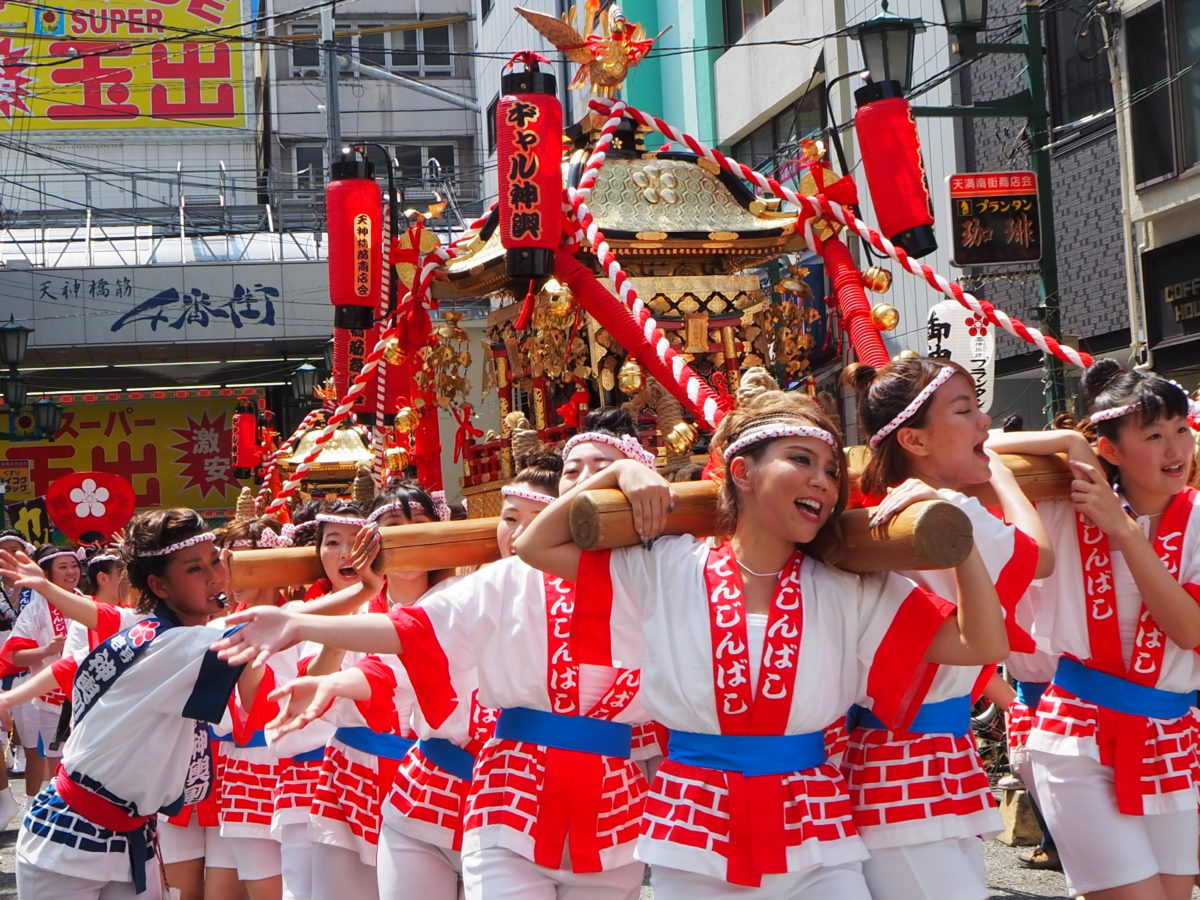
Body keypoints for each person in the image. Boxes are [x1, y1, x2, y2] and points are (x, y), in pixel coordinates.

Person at [514, 390, 1009, 899]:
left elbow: (980, 644)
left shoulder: (849, 585)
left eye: (832, 471)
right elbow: (535, 546)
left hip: (816, 832)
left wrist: (959, 537)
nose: (823, 480)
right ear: (742, 472)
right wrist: (617, 474)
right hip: (692, 831)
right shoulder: (666, 566)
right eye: (801, 459)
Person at [213, 408, 662, 900]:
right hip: (499, 792)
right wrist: (302, 626)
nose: (584, 478)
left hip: (611, 806)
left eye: (605, 466)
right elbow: (410, 633)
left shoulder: (662, 576)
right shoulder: (501, 583)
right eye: (571, 470)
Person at [266, 454, 562, 899]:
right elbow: (323, 682)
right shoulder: (360, 604)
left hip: (463, 773)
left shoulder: (463, 596)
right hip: (357, 772)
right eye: (393, 529)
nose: (409, 540)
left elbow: (399, 666)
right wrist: (356, 602)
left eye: (419, 525)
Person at [838, 358, 1050, 900]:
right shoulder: (949, 507)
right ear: (914, 438)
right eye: (966, 410)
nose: (985, 423)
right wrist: (1002, 476)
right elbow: (1041, 557)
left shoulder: (885, 507)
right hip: (912, 753)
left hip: (901, 748)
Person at [988, 360, 1200, 900]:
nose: (1175, 449)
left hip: (1171, 737)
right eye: (1153, 435)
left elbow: (1188, 629)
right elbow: (977, 449)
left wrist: (1125, 533)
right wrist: (1069, 440)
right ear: (1111, 449)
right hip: (1076, 737)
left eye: (1181, 429)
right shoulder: (1068, 502)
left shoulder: (1197, 516)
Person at [11, 508, 275, 899]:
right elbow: (275, 627)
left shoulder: (151, 626)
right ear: (159, 585)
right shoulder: (175, 642)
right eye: (194, 569)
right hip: (71, 838)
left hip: (129, 831)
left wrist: (50, 589)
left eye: (215, 561)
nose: (215, 576)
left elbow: (105, 615)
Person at [0, 544, 83, 794]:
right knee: (58, 767)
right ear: (46, 574)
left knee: (84, 762)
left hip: (87, 698)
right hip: (53, 700)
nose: (71, 572)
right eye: (63, 567)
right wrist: (46, 650)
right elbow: (13, 656)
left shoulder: (87, 603)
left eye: (74, 566)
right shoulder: (37, 609)